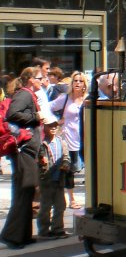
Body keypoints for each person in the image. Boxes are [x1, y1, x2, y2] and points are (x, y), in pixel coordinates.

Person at [1, 67, 45, 249]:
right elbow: (12, 114)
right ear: (30, 79)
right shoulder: (24, 95)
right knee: (24, 189)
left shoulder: (28, 95)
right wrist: (35, 116)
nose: (43, 80)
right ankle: (12, 235)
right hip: (23, 150)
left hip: (28, 150)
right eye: (40, 77)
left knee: (27, 191)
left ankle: (23, 235)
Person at [49, 71, 88, 209]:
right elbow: (49, 107)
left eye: (80, 81)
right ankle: (71, 199)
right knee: (69, 170)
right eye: (75, 81)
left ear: (85, 84)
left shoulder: (88, 99)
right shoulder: (65, 98)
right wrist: (57, 121)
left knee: (87, 169)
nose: (77, 83)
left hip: (85, 139)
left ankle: (91, 198)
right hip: (69, 138)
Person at [37, 115, 70, 239]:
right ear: (44, 127)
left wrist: (65, 165)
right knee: (45, 206)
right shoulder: (42, 144)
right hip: (46, 179)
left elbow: (66, 157)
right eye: (50, 126)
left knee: (60, 205)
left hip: (59, 179)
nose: (53, 128)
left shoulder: (61, 142)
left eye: (55, 125)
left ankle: (58, 229)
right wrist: (40, 161)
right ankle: (44, 231)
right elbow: (37, 159)